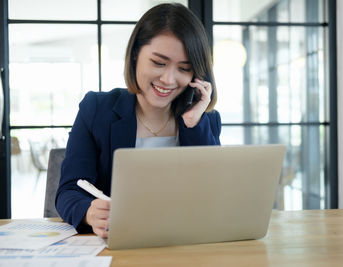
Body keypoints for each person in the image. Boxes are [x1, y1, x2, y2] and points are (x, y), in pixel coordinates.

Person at [55, 3, 221, 238]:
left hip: (185, 245)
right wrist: (90, 213)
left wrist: (193, 123)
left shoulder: (206, 122)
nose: (168, 79)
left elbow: (214, 198)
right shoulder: (97, 109)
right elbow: (69, 191)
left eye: (184, 68)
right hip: (120, 246)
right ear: (135, 55)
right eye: (159, 63)